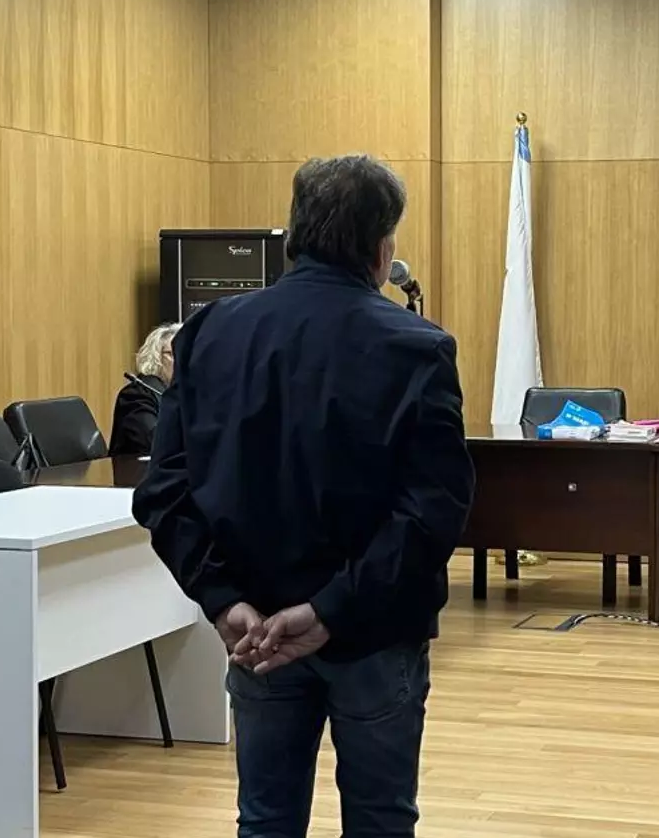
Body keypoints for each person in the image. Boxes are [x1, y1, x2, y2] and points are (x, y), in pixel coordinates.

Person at [131, 155, 475, 838]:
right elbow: (432, 511)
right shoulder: (418, 348)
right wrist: (329, 610)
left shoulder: (208, 333)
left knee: (265, 822)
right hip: (375, 630)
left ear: (293, 236)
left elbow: (165, 489)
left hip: (254, 630)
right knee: (380, 823)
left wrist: (222, 600)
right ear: (383, 250)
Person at [109, 323, 180, 456]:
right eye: (173, 354)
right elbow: (152, 442)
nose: (181, 360)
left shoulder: (184, 394)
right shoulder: (137, 394)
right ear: (156, 357)